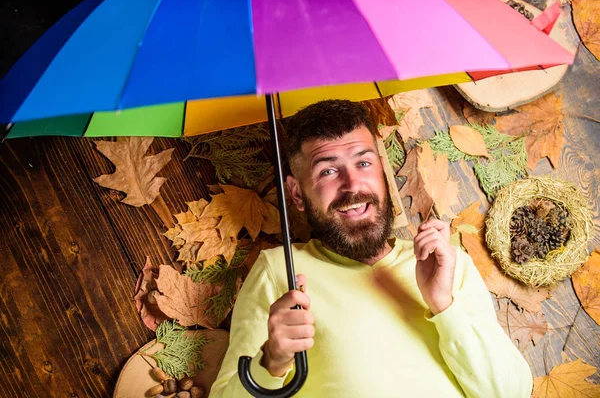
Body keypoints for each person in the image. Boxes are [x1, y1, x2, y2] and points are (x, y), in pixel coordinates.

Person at [209, 100, 533, 397]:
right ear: (295, 194)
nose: (352, 185)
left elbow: (510, 392)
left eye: (363, 163)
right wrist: (271, 362)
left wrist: (444, 306)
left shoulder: (446, 265)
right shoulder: (279, 272)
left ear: (382, 171)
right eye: (328, 171)